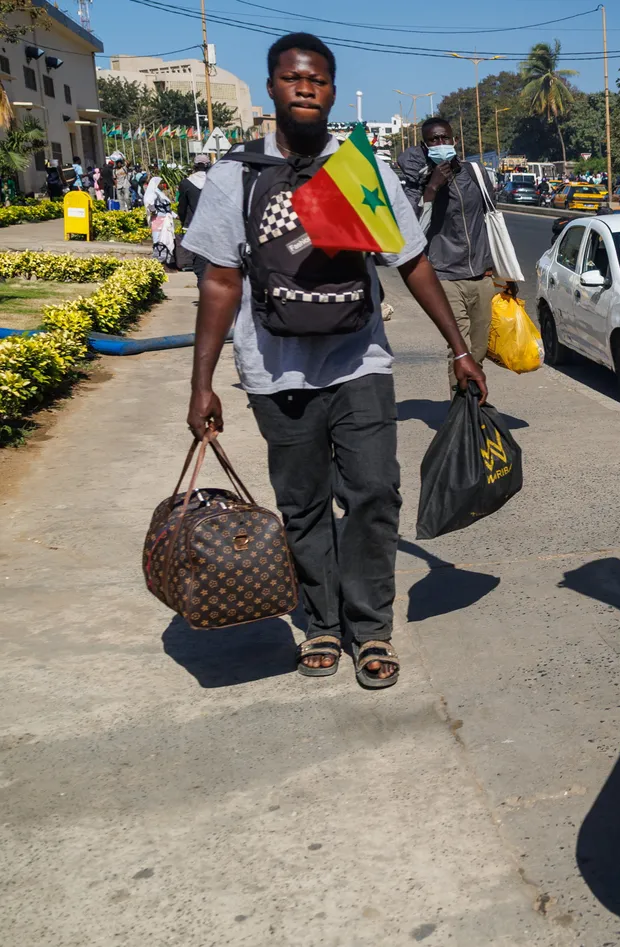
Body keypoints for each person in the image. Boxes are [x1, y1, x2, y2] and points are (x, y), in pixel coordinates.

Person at [181, 32, 486, 689]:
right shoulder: (237, 174)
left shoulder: (360, 169)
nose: (305, 88)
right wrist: (202, 384)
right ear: (272, 87)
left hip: (359, 360)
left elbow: (412, 261)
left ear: (329, 88)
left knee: (375, 491)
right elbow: (219, 282)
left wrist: (459, 348)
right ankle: (321, 620)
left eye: (318, 79)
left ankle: (370, 627)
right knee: (303, 503)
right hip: (273, 369)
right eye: (293, 77)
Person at [397, 115, 500, 389]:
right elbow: (412, 232)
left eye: (445, 138)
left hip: (481, 275)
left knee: (479, 348)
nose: (441, 144)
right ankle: (461, 408)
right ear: (424, 145)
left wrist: (499, 270)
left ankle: (472, 398)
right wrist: (431, 189)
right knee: (460, 348)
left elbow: (491, 219)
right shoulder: (418, 183)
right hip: (445, 277)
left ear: (455, 140)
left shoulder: (475, 173)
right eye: (434, 140)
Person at [178, 154, 212, 282]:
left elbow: (182, 207)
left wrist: (183, 221)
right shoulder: (214, 181)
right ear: (208, 165)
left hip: (193, 225)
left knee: (198, 258)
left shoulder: (186, 183)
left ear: (194, 166)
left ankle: (202, 282)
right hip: (213, 225)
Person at [145, 178, 178, 266]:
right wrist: (154, 210)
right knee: (159, 240)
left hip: (164, 218)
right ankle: (159, 262)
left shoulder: (160, 193)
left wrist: (175, 216)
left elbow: (167, 209)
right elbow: (150, 203)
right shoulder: (154, 193)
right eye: (161, 183)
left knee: (166, 239)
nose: (162, 185)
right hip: (158, 219)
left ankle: (165, 261)